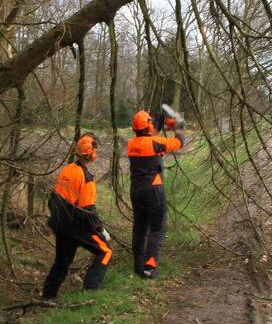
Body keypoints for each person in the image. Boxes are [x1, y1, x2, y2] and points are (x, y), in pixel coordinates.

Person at [41, 133, 112, 299]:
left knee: (62, 261)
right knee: (105, 251)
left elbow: (53, 199)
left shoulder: (67, 170)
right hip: (76, 226)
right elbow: (88, 209)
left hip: (60, 224)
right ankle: (91, 291)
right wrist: (100, 229)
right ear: (91, 155)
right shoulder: (86, 178)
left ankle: (48, 296)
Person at [127, 109, 184, 279]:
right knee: (158, 228)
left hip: (136, 191)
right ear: (148, 126)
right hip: (153, 190)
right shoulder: (156, 143)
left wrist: (160, 123)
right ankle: (150, 268)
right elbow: (179, 142)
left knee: (139, 229)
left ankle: (138, 267)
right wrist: (178, 127)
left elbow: (150, 139)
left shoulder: (131, 144)